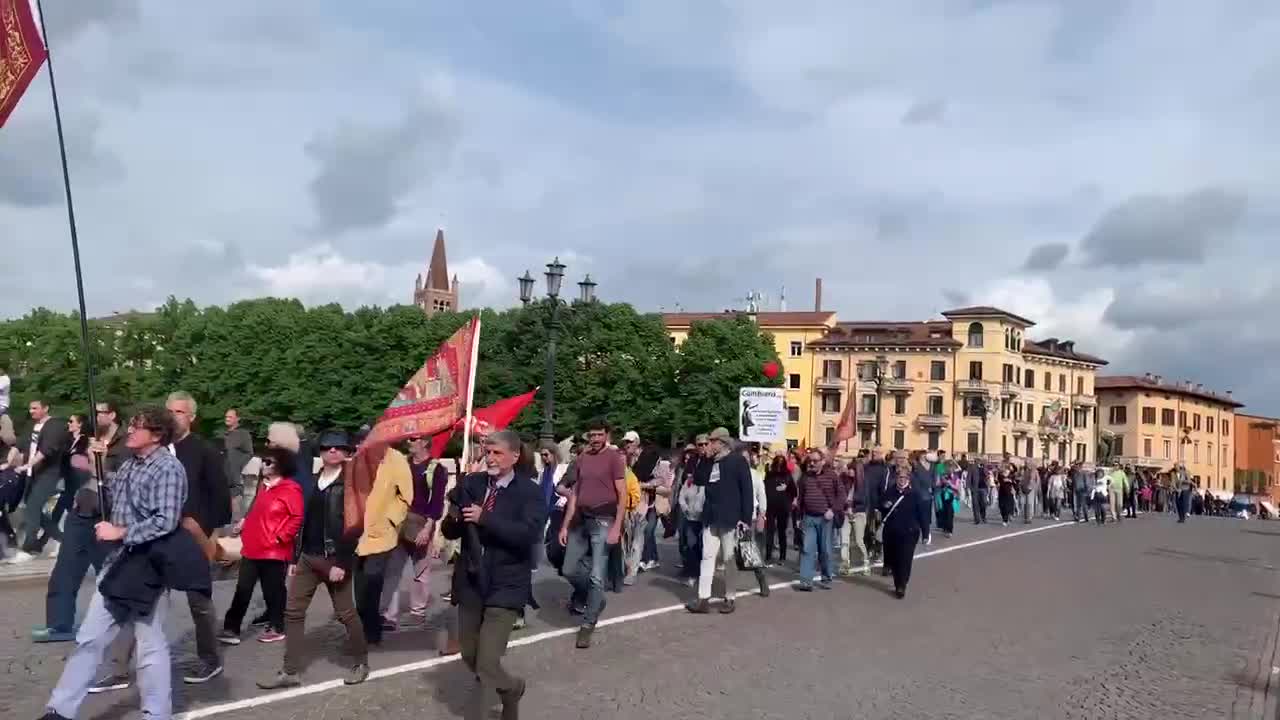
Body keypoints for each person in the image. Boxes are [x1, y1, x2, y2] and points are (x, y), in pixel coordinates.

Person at [42, 405, 209, 720]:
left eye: (137, 426)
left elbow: (166, 521)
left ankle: (157, 714)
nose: (129, 430)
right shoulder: (133, 464)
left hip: (149, 567)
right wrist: (96, 463)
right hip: (118, 563)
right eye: (131, 424)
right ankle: (60, 710)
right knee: (90, 637)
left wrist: (121, 531)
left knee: (150, 644)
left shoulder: (168, 469)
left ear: (156, 434)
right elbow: (111, 495)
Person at [92, 391, 230, 692]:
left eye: (178, 412)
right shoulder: (144, 450)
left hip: (190, 535)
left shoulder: (204, 450)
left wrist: (206, 532)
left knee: (199, 600)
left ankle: (210, 658)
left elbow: (221, 496)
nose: (172, 416)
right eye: (168, 410)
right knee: (132, 596)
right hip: (149, 537)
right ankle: (118, 669)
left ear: (191, 417)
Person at [442, 430, 545, 720]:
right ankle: (509, 689)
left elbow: (528, 534)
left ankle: (511, 690)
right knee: (469, 655)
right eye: (488, 452)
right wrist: (453, 517)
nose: (490, 457)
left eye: (497, 453)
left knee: (487, 662)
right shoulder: (473, 483)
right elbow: (451, 530)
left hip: (507, 583)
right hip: (472, 579)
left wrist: (485, 518)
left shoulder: (529, 491)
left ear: (514, 456)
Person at [258, 430, 369, 689]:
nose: (333, 451)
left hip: (334, 558)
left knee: (346, 613)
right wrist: (295, 557)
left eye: (339, 448)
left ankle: (361, 662)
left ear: (347, 453)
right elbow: (302, 521)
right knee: (293, 612)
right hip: (308, 556)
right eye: (328, 447)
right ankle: (290, 671)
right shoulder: (311, 481)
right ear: (320, 451)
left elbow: (355, 526)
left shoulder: (353, 483)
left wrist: (342, 562)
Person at [34, 402, 128, 644]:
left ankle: (122, 621)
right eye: (93, 412)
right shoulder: (85, 439)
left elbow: (126, 480)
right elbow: (73, 469)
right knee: (65, 571)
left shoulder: (128, 442)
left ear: (113, 414)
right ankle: (59, 625)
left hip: (108, 517)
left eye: (101, 412)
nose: (95, 416)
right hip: (80, 512)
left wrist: (102, 464)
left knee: (111, 574)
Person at [219, 446, 303, 645]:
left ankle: (277, 625)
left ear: (281, 465)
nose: (263, 465)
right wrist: (244, 523)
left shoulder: (290, 489)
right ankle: (231, 628)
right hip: (253, 547)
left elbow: (296, 517)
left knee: (273, 590)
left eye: (268, 462)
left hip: (273, 550)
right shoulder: (263, 487)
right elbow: (258, 512)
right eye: (263, 461)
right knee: (243, 589)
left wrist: (280, 538)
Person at [558, 418, 626, 649]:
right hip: (580, 520)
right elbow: (575, 494)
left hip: (604, 519)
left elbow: (622, 494)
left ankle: (587, 625)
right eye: (592, 435)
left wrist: (617, 527)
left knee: (597, 574)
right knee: (568, 569)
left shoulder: (615, 458)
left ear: (607, 435)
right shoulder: (582, 459)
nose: (595, 439)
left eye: (599, 434)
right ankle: (597, 599)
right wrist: (565, 525)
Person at [685, 429, 761, 614]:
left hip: (731, 518)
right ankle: (703, 599)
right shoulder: (710, 461)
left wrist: (745, 518)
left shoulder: (737, 461)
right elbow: (699, 479)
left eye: (712, 441)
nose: (708, 444)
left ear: (722, 442)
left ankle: (730, 597)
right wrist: (705, 459)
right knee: (707, 557)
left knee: (729, 559)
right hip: (711, 517)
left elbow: (747, 491)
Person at [382, 434, 449, 630]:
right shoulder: (401, 464)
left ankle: (417, 612)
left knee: (420, 571)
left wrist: (427, 529)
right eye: (409, 439)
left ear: (425, 442)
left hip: (420, 524)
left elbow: (436, 502)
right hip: (398, 523)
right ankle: (389, 615)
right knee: (392, 570)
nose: (409, 442)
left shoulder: (436, 469)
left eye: (413, 439)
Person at [352, 439, 413, 646]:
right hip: (357, 533)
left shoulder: (395, 459)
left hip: (381, 533)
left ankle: (371, 633)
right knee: (359, 585)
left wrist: (390, 520)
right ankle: (363, 626)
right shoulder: (356, 459)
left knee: (372, 583)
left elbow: (406, 496)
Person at [15, 399, 69, 561]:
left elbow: (47, 450)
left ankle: (29, 549)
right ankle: (64, 540)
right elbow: (18, 447)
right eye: (30, 408)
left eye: (35, 408)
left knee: (33, 507)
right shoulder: (31, 426)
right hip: (32, 474)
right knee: (34, 510)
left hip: (49, 474)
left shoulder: (55, 425)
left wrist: (27, 465)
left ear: (45, 408)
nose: (31, 411)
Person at [794, 447, 840, 592]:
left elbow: (842, 496)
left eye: (815, 461)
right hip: (808, 517)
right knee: (807, 549)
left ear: (823, 461)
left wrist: (833, 510)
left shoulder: (832, 476)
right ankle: (806, 581)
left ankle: (826, 577)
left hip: (825, 519)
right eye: (810, 461)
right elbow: (800, 498)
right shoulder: (805, 477)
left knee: (825, 550)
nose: (812, 463)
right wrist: (798, 517)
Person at [879, 464, 924, 599]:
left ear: (909, 479)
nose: (902, 480)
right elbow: (880, 506)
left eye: (905, 477)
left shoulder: (915, 494)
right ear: (896, 478)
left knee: (905, 559)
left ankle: (901, 585)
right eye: (899, 477)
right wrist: (884, 506)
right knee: (895, 559)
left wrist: (926, 532)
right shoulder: (889, 492)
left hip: (910, 532)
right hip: (891, 532)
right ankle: (898, 581)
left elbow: (922, 514)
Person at [763, 454, 796, 565]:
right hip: (770, 507)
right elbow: (764, 488)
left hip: (783, 507)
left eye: (781, 464)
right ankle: (768, 555)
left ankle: (782, 555)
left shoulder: (787, 475)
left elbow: (794, 491)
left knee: (782, 531)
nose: (779, 466)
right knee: (770, 532)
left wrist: (786, 489)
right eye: (777, 463)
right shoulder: (769, 475)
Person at [223, 409, 254, 523]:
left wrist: (238, 465)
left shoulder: (243, 434)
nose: (227, 419)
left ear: (237, 419)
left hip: (235, 479)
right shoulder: (225, 435)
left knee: (236, 509)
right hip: (223, 476)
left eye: (230, 417)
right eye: (226, 417)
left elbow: (249, 453)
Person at [910, 452, 935, 545]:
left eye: (926, 455)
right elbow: (912, 478)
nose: (925, 456)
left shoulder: (932, 466)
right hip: (917, 493)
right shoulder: (916, 466)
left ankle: (926, 534)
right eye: (923, 455)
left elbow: (934, 478)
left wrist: (932, 486)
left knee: (926, 516)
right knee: (918, 516)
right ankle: (922, 535)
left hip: (927, 494)